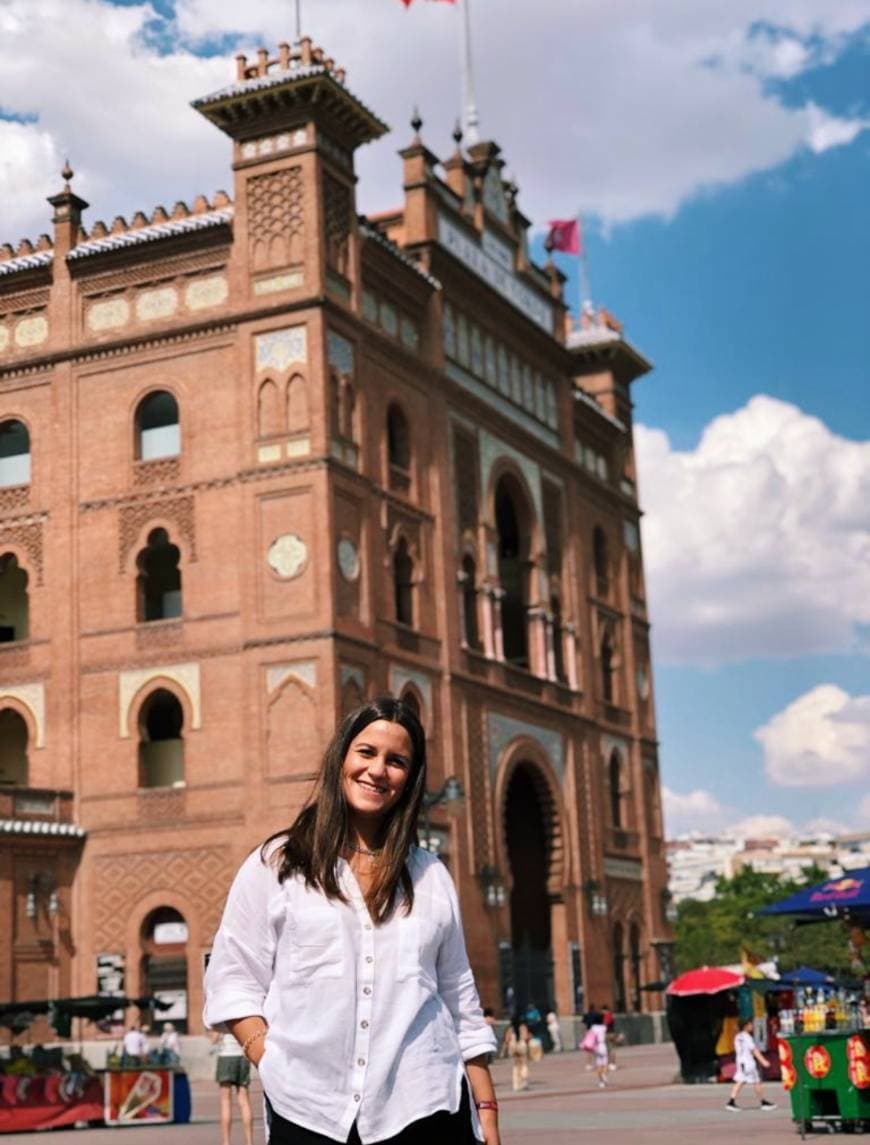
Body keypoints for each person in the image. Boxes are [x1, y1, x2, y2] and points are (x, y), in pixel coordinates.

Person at [204, 697, 500, 1145]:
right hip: (308, 1110)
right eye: (366, 753)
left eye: (396, 761)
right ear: (341, 756)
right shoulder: (278, 865)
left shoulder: (430, 876)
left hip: (424, 1104)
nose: (378, 770)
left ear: (410, 781)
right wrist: (269, 1057)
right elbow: (233, 977)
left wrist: (488, 1113)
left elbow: (459, 997)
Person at [725, 1018, 777, 1112]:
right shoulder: (747, 1037)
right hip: (748, 1063)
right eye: (750, 1024)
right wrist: (763, 1061)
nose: (752, 1026)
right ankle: (763, 1102)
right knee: (756, 1082)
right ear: (746, 1026)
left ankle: (731, 1102)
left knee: (741, 1081)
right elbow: (754, 1050)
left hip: (741, 1062)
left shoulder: (738, 1036)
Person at [212, 1030, 254, 1145]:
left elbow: (214, 1039)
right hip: (242, 1056)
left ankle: (226, 1142)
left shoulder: (221, 1015)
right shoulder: (243, 1012)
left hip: (226, 1056)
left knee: (226, 1102)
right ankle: (249, 1142)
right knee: (244, 1102)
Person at [502, 1020, 532, 1092]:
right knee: (524, 1064)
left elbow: (507, 1039)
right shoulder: (523, 1027)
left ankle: (516, 1085)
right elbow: (526, 1037)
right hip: (522, 1046)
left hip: (513, 1046)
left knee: (516, 1066)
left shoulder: (510, 1028)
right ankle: (524, 1081)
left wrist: (505, 1047)